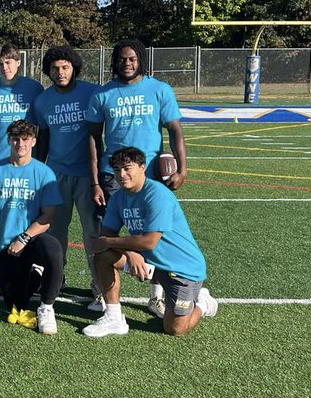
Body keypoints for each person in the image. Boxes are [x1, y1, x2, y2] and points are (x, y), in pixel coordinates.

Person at [86, 39, 187, 319]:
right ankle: (104, 292)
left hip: (150, 173)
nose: (127, 63)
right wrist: (95, 181)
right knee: (108, 232)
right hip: (113, 174)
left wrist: (182, 168)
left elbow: (175, 130)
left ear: (141, 60)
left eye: (132, 59)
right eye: (121, 59)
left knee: (155, 234)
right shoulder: (102, 94)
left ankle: (156, 295)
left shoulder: (159, 89)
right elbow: (94, 139)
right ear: (114, 62)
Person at [85, 147, 217, 338]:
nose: (122, 175)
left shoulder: (156, 194)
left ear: (142, 167)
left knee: (174, 329)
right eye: (117, 170)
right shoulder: (118, 198)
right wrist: (130, 253)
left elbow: (149, 241)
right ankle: (114, 318)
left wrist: (114, 243)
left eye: (127, 168)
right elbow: (108, 235)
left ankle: (203, 303)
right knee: (103, 256)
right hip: (151, 265)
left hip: (181, 269)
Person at [0, 120, 64, 334]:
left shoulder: (44, 173)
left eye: (25, 139)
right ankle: (35, 275)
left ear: (33, 141)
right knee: (16, 303)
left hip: (32, 239)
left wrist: (24, 238)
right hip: (6, 245)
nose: (20, 144)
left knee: (53, 249)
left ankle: (47, 306)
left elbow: (48, 215)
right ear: (9, 140)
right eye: (16, 139)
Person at [32, 45, 103, 309]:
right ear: (48, 71)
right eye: (54, 68)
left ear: (74, 68)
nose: (60, 72)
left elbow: (98, 134)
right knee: (55, 233)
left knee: (92, 233)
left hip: (87, 175)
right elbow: (44, 138)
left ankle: (99, 286)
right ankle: (56, 279)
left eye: (65, 67)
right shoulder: (43, 101)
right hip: (56, 175)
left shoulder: (92, 92)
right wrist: (38, 172)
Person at [0, 42, 43, 167]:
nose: (4, 67)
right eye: (0, 64)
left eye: (8, 62)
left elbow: (42, 127)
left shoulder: (34, 88)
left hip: (26, 160)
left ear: (18, 62)